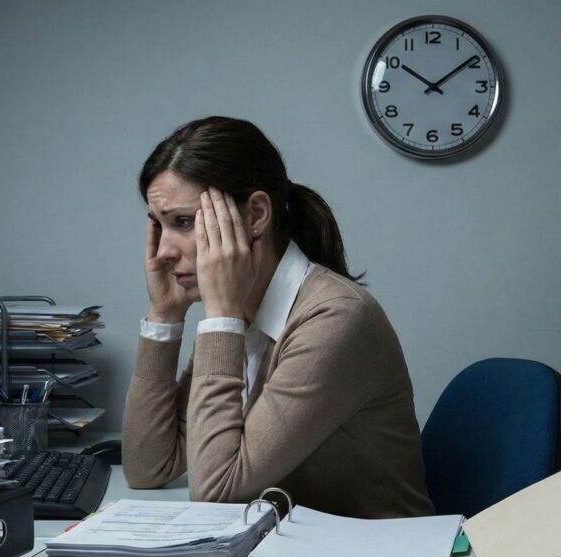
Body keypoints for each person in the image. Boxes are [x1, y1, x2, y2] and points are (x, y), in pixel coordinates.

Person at [122, 116, 434, 518]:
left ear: (255, 215)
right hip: (293, 553)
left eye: (182, 222)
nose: (164, 251)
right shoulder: (240, 315)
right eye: (159, 226)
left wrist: (220, 318)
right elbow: (148, 467)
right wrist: (164, 318)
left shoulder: (334, 318)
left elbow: (217, 494)